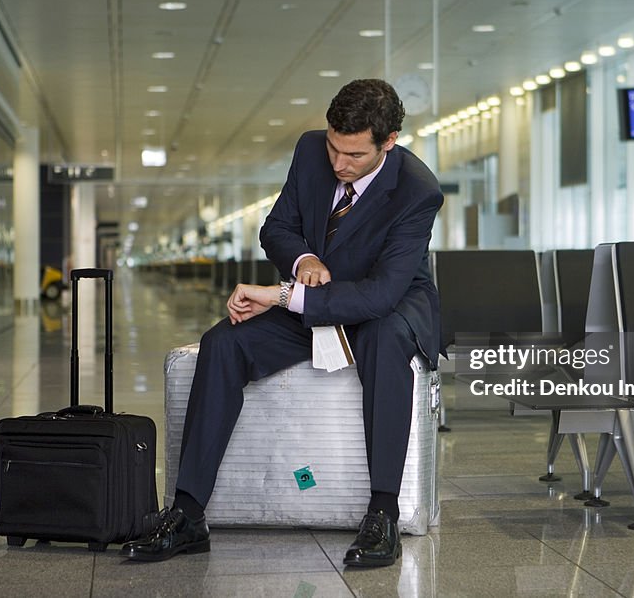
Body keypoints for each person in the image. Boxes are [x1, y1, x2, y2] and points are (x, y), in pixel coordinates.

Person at [121, 78, 444, 567]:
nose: (338, 164)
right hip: (314, 297)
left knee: (382, 340)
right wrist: (304, 258)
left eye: (354, 155)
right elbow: (275, 227)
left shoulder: (418, 191)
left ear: (389, 141)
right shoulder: (310, 150)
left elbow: (381, 293)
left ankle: (382, 513)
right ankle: (187, 513)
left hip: (386, 306)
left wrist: (282, 296)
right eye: (334, 147)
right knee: (223, 342)